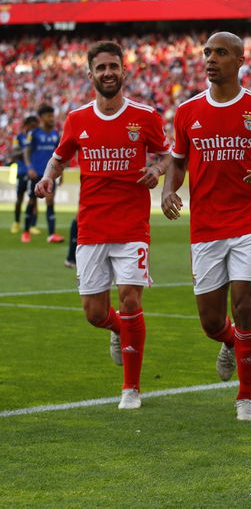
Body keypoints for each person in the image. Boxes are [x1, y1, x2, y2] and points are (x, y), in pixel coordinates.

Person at [161, 31, 251, 421]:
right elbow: (178, 161)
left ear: (239, 60)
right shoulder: (187, 111)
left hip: (250, 220)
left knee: (246, 304)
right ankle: (230, 341)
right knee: (212, 321)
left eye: (220, 52)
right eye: (207, 52)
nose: (210, 58)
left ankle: (246, 397)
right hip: (205, 226)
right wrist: (169, 190)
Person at [34, 41, 170, 409]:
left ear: (124, 72)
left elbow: (166, 156)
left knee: (129, 299)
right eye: (101, 67)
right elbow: (59, 158)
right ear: (90, 74)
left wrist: (156, 170)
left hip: (131, 227)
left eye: (114, 66)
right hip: (92, 227)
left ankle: (131, 388)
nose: (108, 73)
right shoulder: (77, 119)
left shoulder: (145, 116)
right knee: (95, 313)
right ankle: (116, 329)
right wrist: (47, 178)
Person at [23, 104, 63, 244]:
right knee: (32, 201)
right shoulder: (34, 133)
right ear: (41, 118)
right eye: (48, 116)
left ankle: (52, 234)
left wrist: (61, 173)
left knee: (50, 202)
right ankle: (26, 232)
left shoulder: (55, 134)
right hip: (36, 173)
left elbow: (60, 156)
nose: (51, 118)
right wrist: (29, 167)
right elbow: (26, 151)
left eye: (52, 115)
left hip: (50, 175)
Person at [8, 115, 38, 234]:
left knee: (34, 199)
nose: (34, 128)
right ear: (27, 125)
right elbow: (15, 153)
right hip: (22, 172)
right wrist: (27, 150)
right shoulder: (19, 137)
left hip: (35, 172)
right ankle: (16, 222)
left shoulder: (37, 137)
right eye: (32, 126)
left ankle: (32, 225)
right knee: (19, 199)